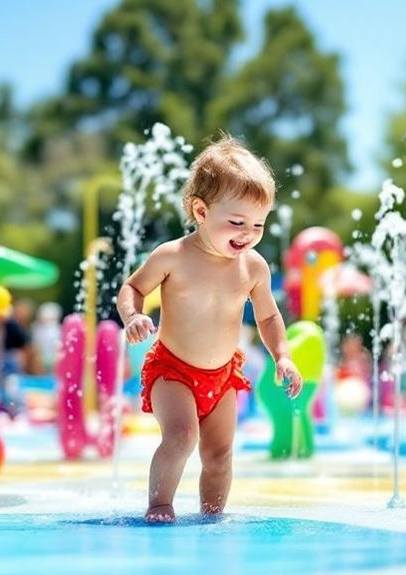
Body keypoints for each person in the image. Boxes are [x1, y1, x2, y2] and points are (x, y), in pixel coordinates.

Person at [117, 135, 303, 523]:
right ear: (201, 212)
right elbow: (133, 287)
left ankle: (211, 518)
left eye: (258, 224)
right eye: (236, 222)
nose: (248, 233)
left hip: (222, 375)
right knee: (182, 437)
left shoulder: (253, 267)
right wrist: (133, 316)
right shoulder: (174, 256)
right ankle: (160, 504)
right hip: (173, 370)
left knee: (219, 455)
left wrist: (282, 356)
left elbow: (269, 317)